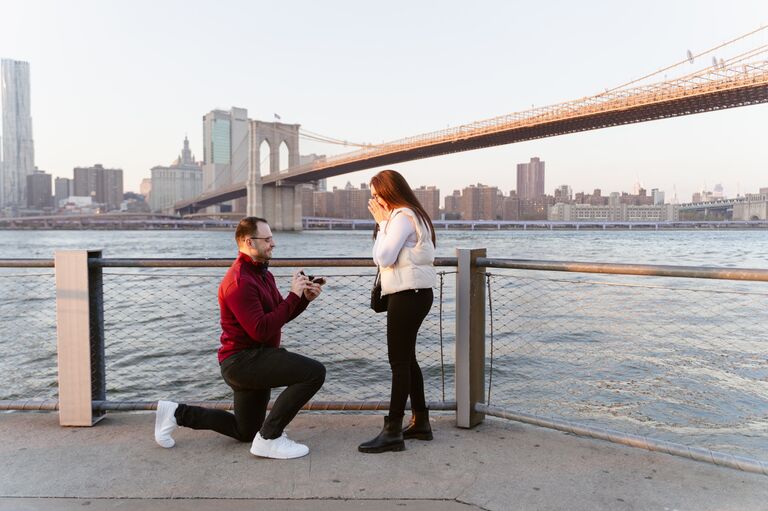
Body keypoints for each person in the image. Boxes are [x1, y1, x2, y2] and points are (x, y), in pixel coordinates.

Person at [154, 216, 326, 459]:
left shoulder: (263, 275)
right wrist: (292, 295)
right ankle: (270, 438)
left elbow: (279, 315)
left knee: (245, 431)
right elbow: (261, 330)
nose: (272, 243)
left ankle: (175, 413)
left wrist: (303, 300)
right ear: (248, 242)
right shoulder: (238, 282)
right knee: (314, 372)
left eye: (272, 238)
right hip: (243, 361)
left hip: (256, 358)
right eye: (266, 239)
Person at [358, 169, 437, 454]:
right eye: (372, 197)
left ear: (391, 193)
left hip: (408, 295)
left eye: (378, 196)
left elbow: (382, 257)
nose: (375, 202)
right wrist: (383, 224)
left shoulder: (402, 217)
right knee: (407, 359)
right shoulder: (410, 214)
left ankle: (392, 430)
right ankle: (421, 421)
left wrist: (381, 224)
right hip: (413, 294)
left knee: (398, 362)